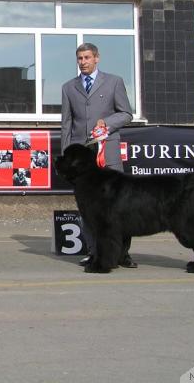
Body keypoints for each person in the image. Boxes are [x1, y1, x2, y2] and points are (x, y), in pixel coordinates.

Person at [60, 42, 134, 267]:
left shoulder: (114, 82)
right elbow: (66, 124)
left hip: (107, 154)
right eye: (80, 58)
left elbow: (126, 114)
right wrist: (66, 158)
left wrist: (107, 124)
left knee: (117, 206)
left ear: (97, 58)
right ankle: (94, 252)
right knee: (89, 208)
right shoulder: (68, 87)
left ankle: (123, 254)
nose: (83, 62)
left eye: (87, 58)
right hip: (82, 162)